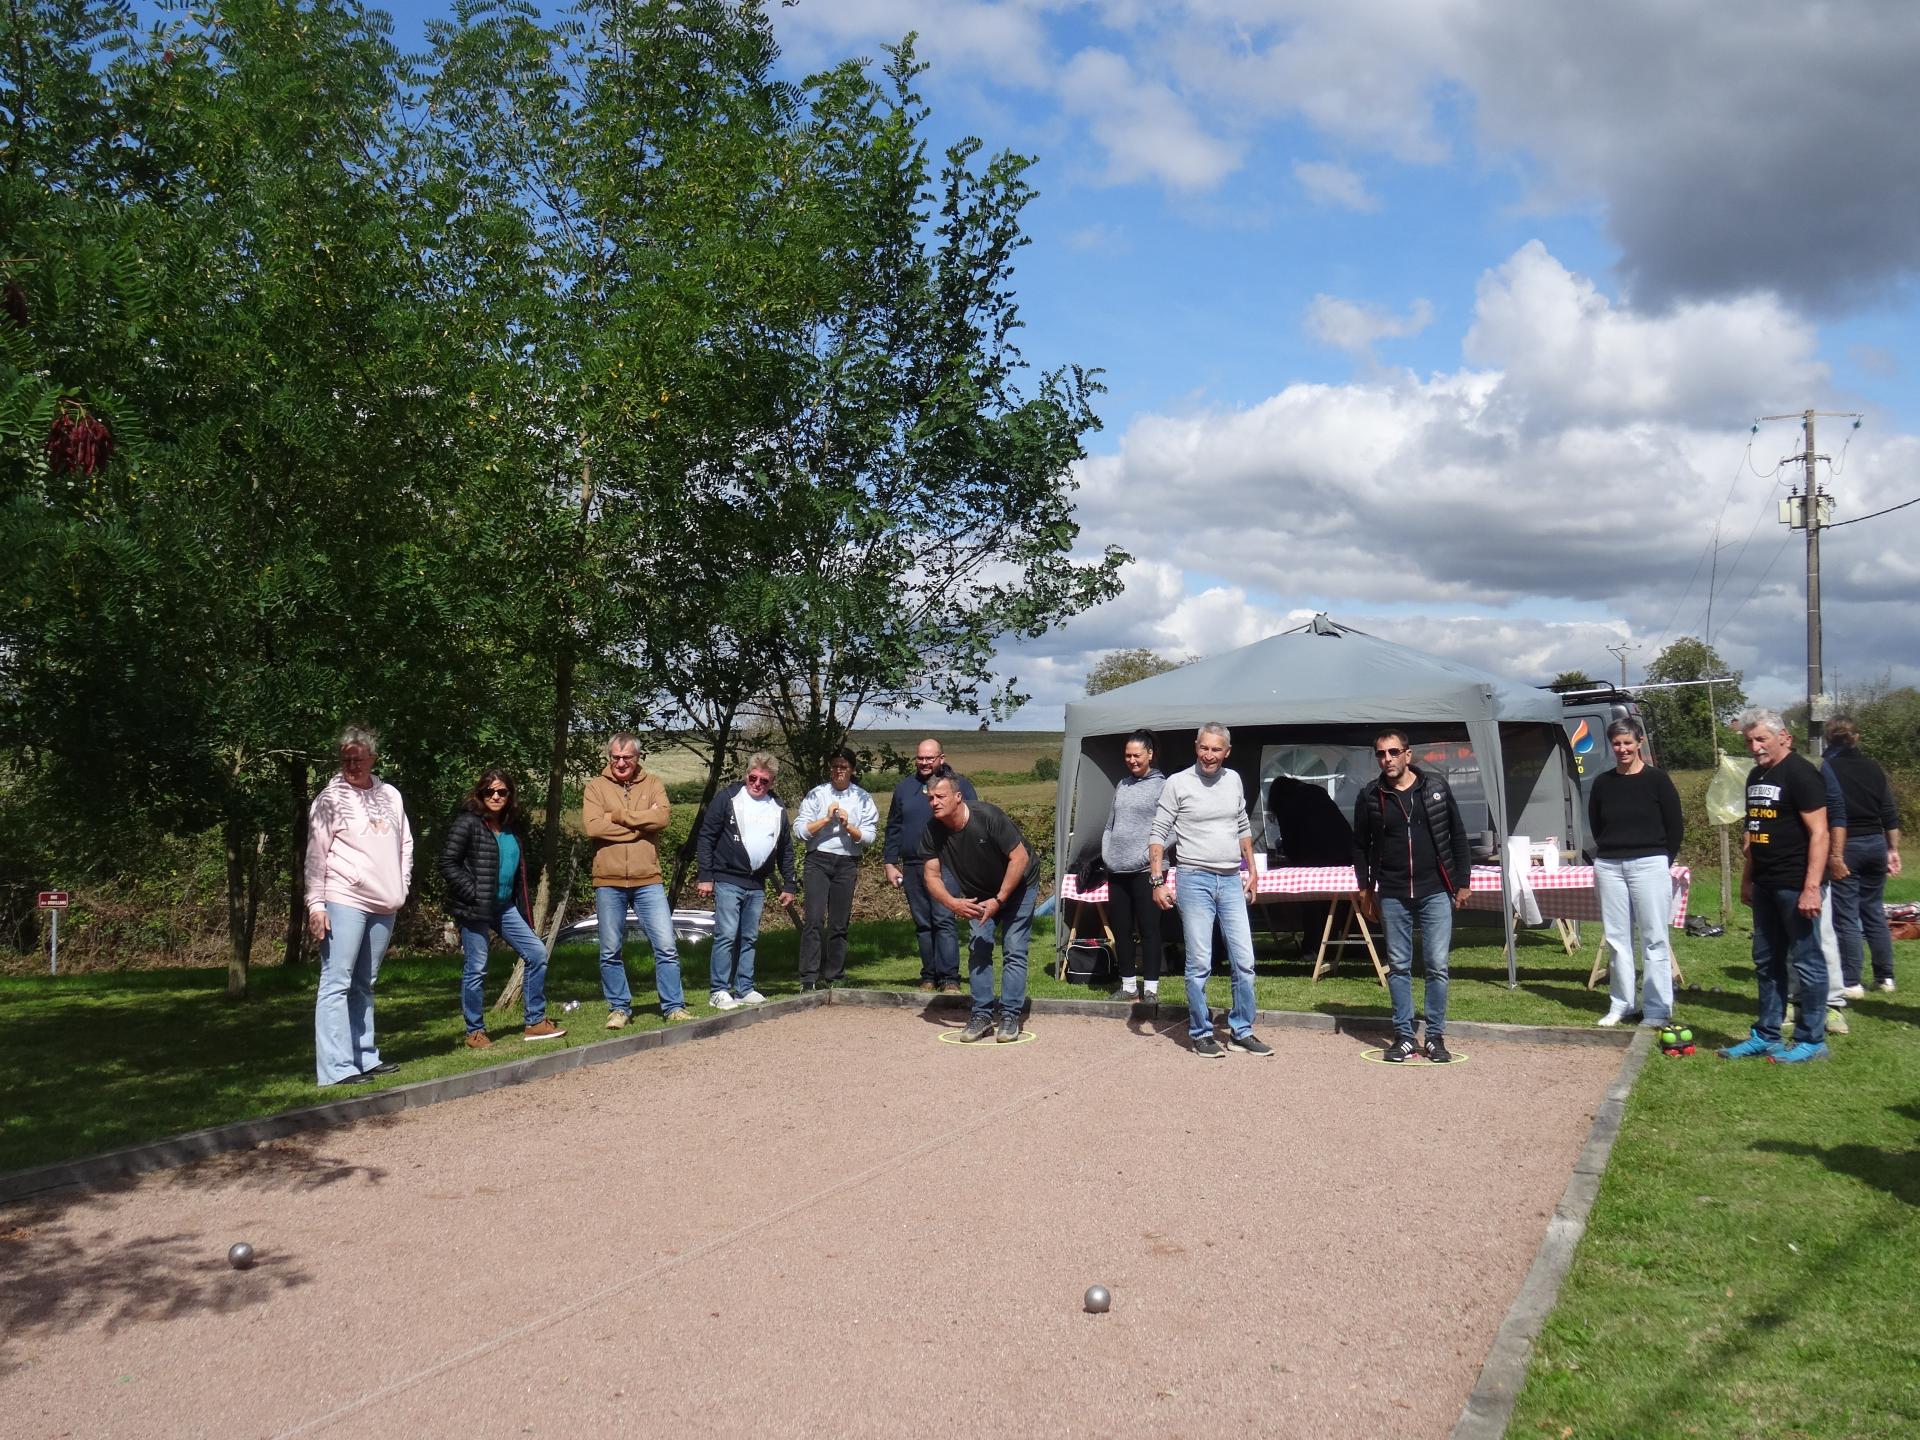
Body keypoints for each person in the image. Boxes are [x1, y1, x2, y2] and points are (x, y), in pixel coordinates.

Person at [1149, 724, 1274, 1060]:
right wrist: (1157, 881)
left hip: (1232, 878)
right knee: (1200, 962)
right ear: (1196, 747)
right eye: (1204, 748)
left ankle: (1242, 1031)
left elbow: (1242, 825)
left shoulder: (1233, 780)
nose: (1209, 755)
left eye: (1216, 750)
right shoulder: (1177, 783)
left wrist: (1252, 870)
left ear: (1227, 752)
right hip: (1194, 878)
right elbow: (1158, 832)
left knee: (1245, 962)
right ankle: (1202, 1032)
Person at [1351, 728, 1471, 1063]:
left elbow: (1457, 835)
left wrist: (1463, 881)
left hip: (1435, 889)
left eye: (1392, 752)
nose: (1386, 759)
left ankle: (1434, 1036)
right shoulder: (1370, 795)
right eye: (1380, 754)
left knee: (1437, 965)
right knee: (1399, 966)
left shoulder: (1434, 787)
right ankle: (1403, 1034)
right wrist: (1365, 888)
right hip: (1392, 890)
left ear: (1408, 754)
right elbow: (1359, 845)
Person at [1719, 708, 1830, 1063]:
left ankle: (1811, 1039)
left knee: (1806, 962)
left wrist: (1812, 886)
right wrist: (1748, 879)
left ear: (1785, 738)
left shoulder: (1801, 774)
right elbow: (1754, 833)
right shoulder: (1755, 776)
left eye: (1761, 739)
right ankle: (1767, 1035)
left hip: (1795, 884)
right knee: (1766, 961)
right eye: (1750, 740)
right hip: (1765, 884)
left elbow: (1820, 833)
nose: (1755, 747)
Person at [305, 725, 414, 1086]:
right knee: (337, 981)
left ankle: (364, 1056)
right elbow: (315, 858)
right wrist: (315, 905)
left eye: (358, 758)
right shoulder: (329, 800)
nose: (352, 764)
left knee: (365, 982)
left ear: (373, 758)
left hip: (385, 902)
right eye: (345, 758)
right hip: (344, 898)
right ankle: (336, 1068)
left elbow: (405, 845)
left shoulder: (391, 796)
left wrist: (402, 886)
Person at [439, 769, 566, 1048]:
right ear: (480, 793)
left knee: (536, 953)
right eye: (490, 791)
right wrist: (472, 892)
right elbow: (448, 863)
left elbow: (517, 869)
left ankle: (534, 1021)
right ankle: (475, 1031)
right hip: (475, 907)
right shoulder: (468, 823)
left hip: (505, 906)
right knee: (477, 967)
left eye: (502, 792)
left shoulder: (511, 826)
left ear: (510, 795)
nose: (496, 796)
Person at [583, 734, 689, 1028]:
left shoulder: (653, 783)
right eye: (615, 757)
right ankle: (619, 1008)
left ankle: (673, 1007)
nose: (620, 763)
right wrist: (640, 825)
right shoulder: (595, 787)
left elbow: (662, 820)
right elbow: (593, 828)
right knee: (609, 949)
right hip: (608, 880)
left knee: (666, 946)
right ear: (609, 757)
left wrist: (617, 816)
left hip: (648, 879)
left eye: (626, 757)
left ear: (637, 758)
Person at [921, 775, 1036, 1042]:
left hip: (1018, 884)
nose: (934, 803)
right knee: (979, 945)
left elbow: (1020, 857)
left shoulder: (987, 816)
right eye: (930, 798)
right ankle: (982, 1015)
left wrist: (999, 900)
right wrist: (953, 903)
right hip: (977, 892)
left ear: (957, 797)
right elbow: (931, 876)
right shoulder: (932, 830)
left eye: (940, 797)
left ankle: (1009, 1015)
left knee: (1014, 946)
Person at [1587, 720, 1684, 1027]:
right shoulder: (1602, 783)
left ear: (1639, 741)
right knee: (1617, 938)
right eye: (1617, 743)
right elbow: (1596, 824)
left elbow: (1675, 826)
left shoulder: (1657, 780)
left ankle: (1657, 1008)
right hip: (1610, 865)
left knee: (1654, 937)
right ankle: (1622, 1003)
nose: (1623, 749)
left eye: (1628, 742)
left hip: (1650, 862)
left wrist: (1660, 859)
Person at [697, 752, 799, 1009]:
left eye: (763, 780)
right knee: (727, 935)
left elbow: (785, 848)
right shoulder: (728, 798)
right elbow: (707, 836)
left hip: (757, 883)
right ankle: (719, 989)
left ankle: (744, 987)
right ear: (746, 775)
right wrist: (705, 876)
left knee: (750, 937)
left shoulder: (777, 808)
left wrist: (789, 883)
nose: (757, 784)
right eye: (753, 778)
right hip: (728, 878)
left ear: (772, 782)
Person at [883, 739, 979, 993]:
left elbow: (974, 819)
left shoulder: (959, 786)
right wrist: (890, 862)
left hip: (946, 863)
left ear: (941, 758)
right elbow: (894, 826)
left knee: (944, 919)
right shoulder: (904, 788)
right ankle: (929, 976)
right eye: (920, 758)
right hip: (913, 864)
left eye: (930, 758)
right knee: (923, 923)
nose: (924, 763)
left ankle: (949, 979)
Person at [1823, 715, 1902, 995]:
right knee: (1873, 911)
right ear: (1857, 738)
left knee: (1845, 914)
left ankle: (1852, 979)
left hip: (1846, 845)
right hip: (1875, 843)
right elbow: (1889, 812)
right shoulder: (1873, 767)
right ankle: (1885, 977)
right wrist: (1892, 849)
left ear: (1827, 739)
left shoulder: (1827, 768)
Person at [795, 747, 879, 990]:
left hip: (846, 862)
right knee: (813, 919)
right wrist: (826, 819)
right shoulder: (817, 794)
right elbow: (799, 831)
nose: (838, 771)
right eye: (834, 766)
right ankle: (808, 978)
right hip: (818, 860)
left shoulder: (862, 797)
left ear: (852, 770)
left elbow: (869, 837)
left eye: (843, 767)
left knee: (839, 923)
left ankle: (834, 977)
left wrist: (847, 825)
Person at [1102, 730, 1166, 1002]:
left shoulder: (1164, 786)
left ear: (1150, 754)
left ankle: (1150, 988)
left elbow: (1172, 829)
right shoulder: (1122, 785)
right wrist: (1107, 853)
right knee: (1121, 929)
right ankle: (1128, 985)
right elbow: (1110, 825)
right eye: (1127, 755)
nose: (1131, 760)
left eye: (1136, 755)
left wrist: (1146, 856)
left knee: (1150, 930)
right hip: (1116, 870)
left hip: (1145, 871)